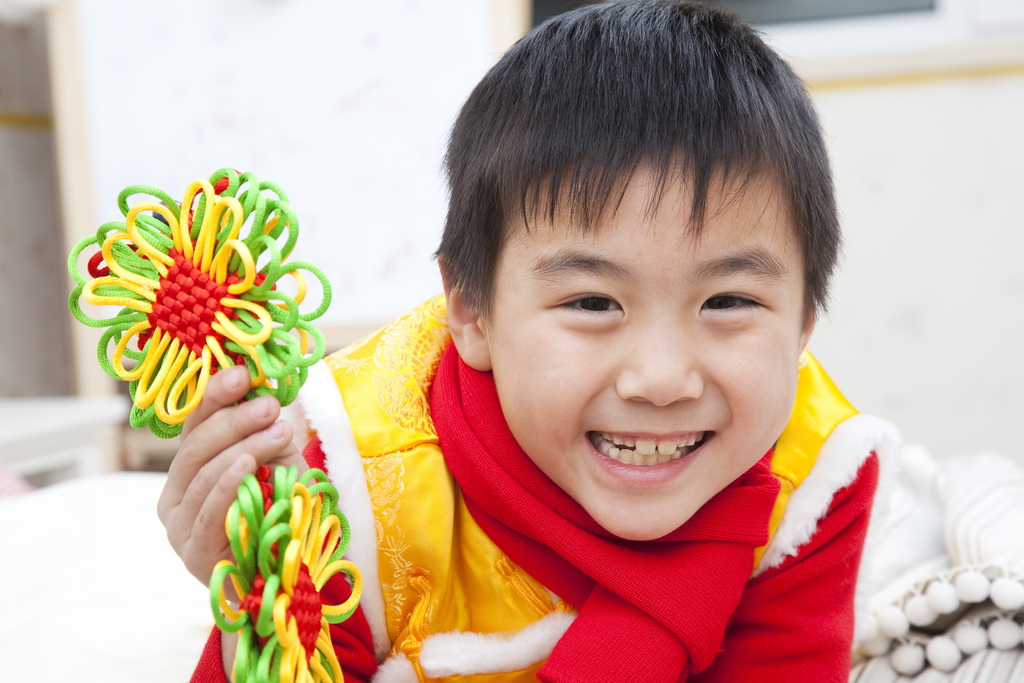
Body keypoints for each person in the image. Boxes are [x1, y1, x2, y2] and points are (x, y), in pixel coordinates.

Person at [161, 1, 898, 680]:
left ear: (804, 321)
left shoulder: (813, 482)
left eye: (729, 300)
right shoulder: (353, 474)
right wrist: (258, 612)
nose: (662, 377)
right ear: (473, 312)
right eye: (592, 301)